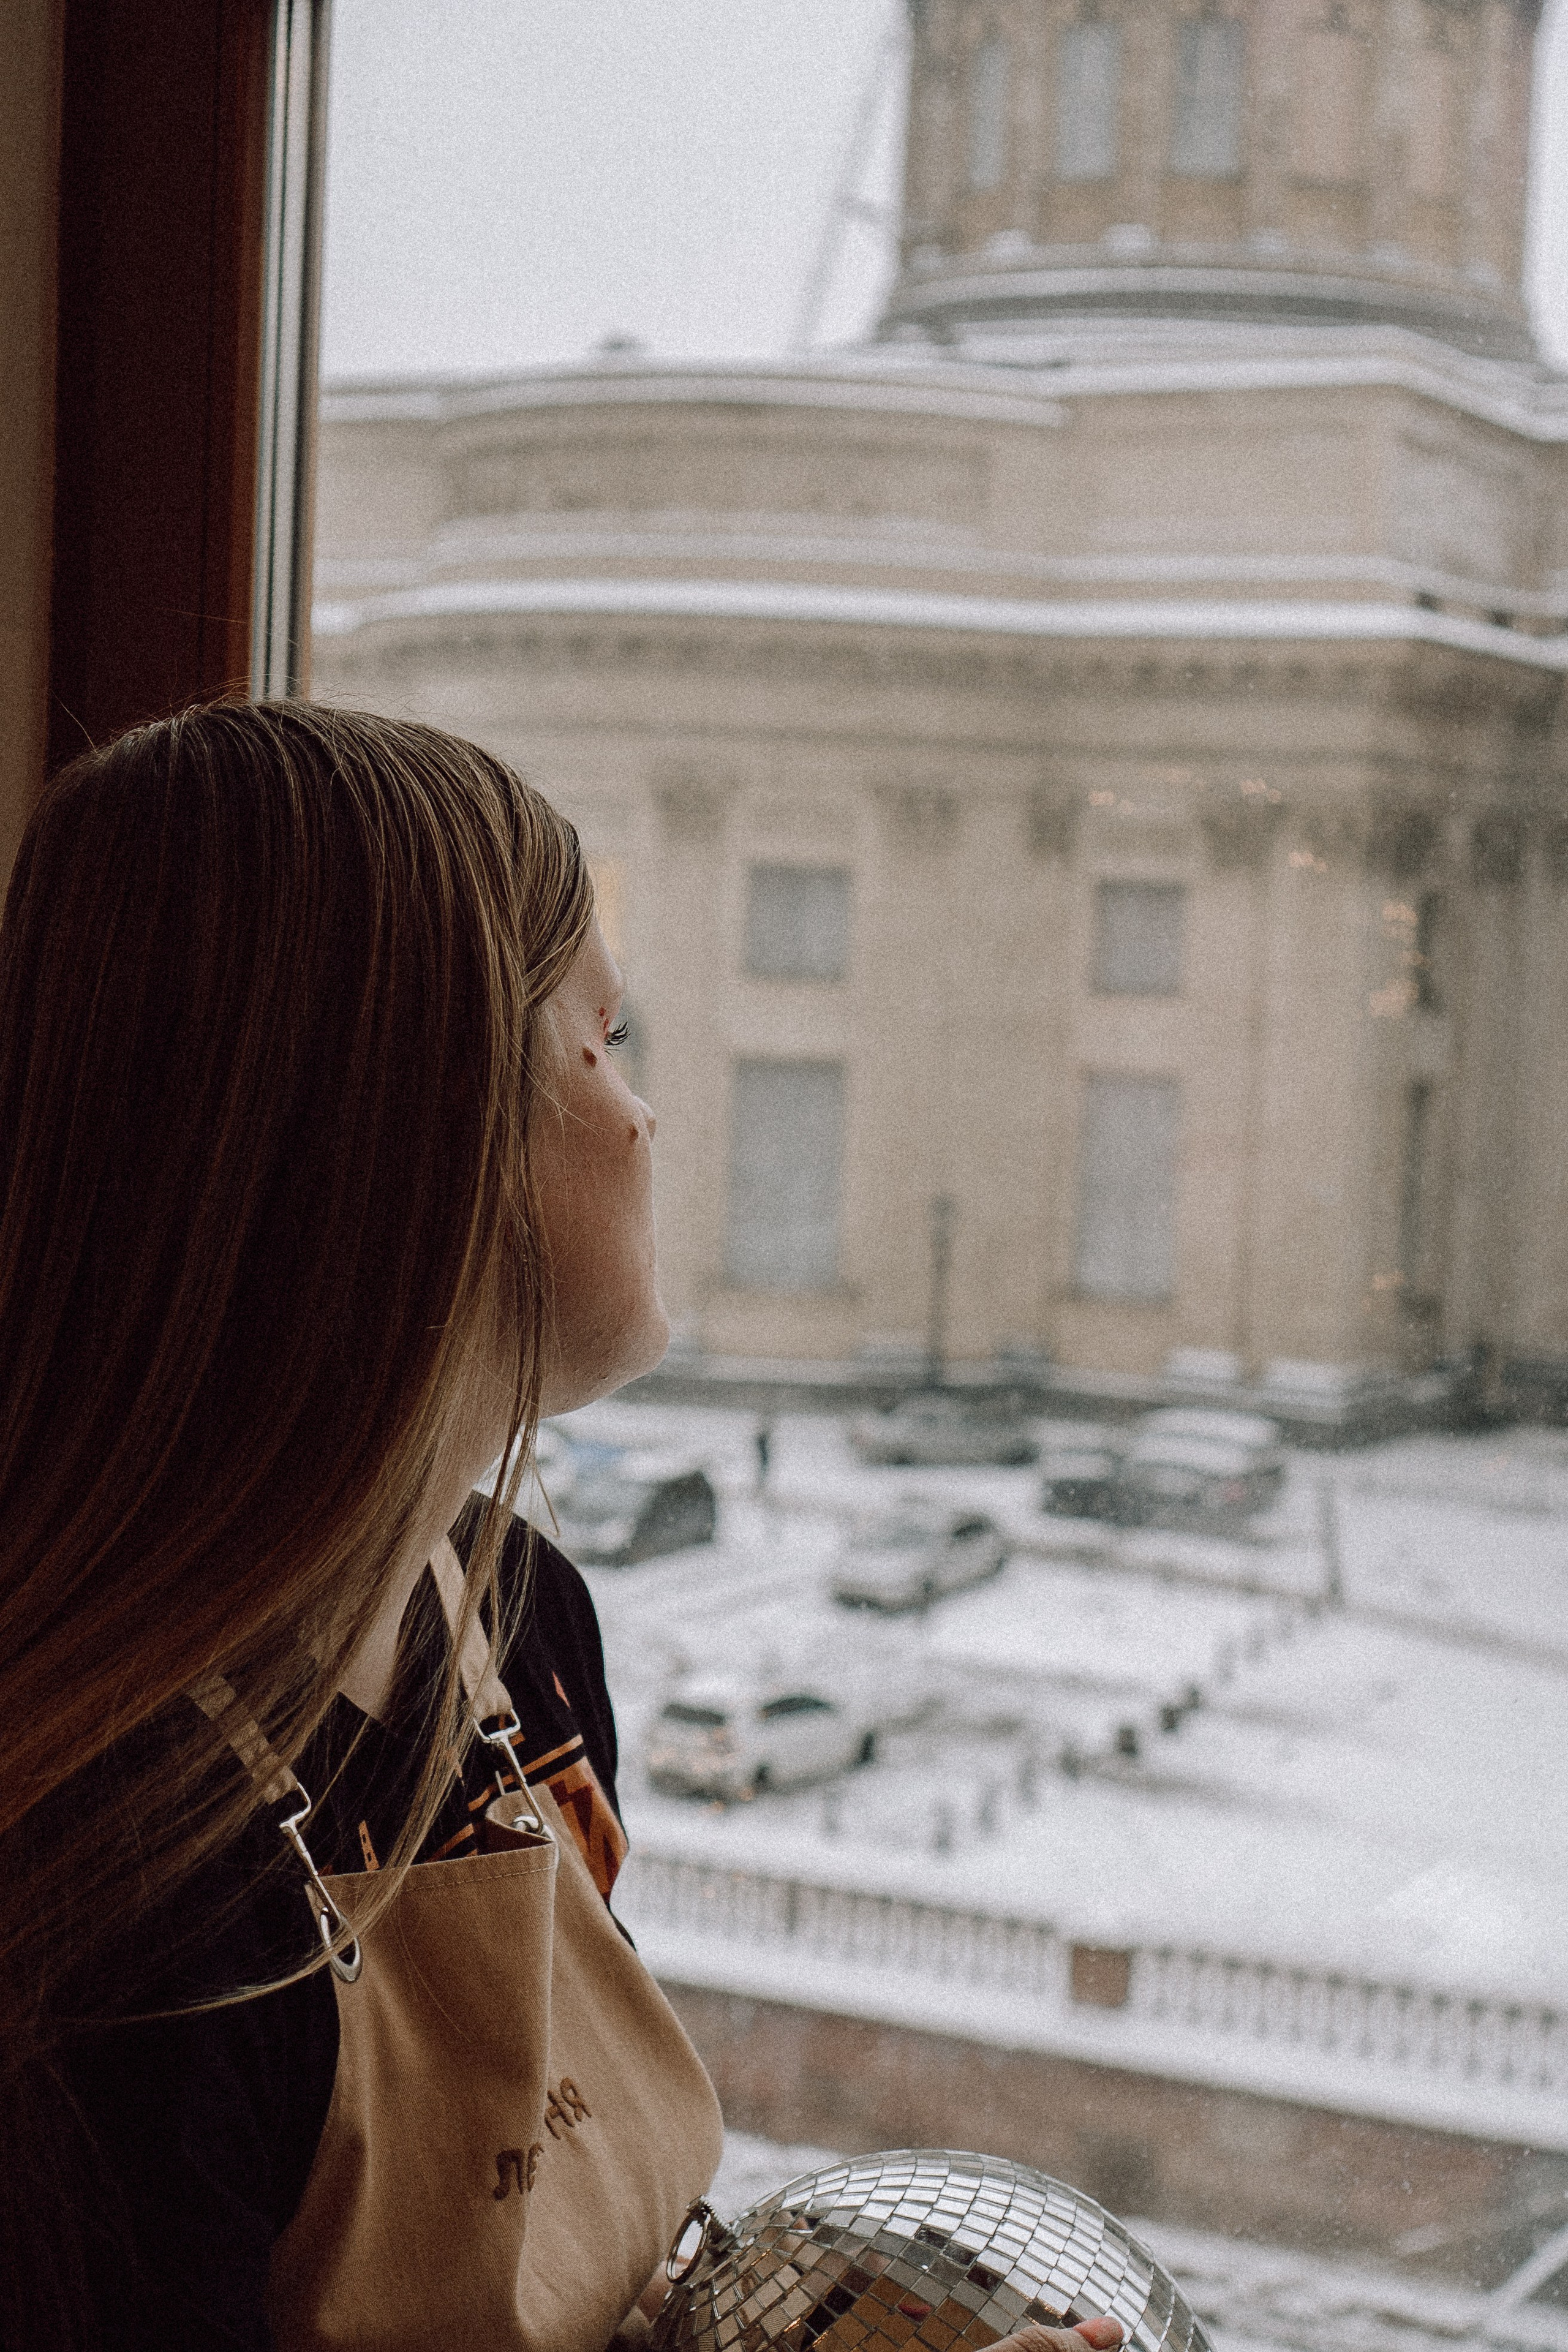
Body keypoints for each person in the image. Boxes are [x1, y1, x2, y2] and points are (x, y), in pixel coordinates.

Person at [0, 702, 1125, 2352]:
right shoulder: (116, 1919)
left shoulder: (514, 1619)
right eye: (601, 1045)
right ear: (406, 1146)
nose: (647, 1120)